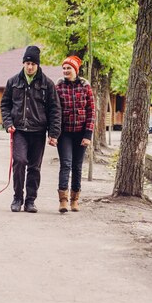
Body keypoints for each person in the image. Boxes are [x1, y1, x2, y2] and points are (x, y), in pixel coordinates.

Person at [1, 45, 61, 213]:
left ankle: (30, 201)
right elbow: (5, 105)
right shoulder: (13, 82)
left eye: (33, 64)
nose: (29, 67)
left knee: (34, 167)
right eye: (27, 63)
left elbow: (55, 109)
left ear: (38, 65)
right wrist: (8, 123)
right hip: (19, 130)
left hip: (38, 131)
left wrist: (54, 133)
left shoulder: (47, 84)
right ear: (23, 63)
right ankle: (17, 198)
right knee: (19, 162)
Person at [55, 55, 95, 213]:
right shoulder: (58, 87)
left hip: (81, 133)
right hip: (64, 133)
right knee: (65, 164)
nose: (66, 71)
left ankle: (75, 200)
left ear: (75, 70)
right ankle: (63, 200)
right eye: (64, 68)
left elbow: (91, 111)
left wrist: (88, 134)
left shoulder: (85, 87)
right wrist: (54, 133)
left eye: (68, 68)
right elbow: (55, 111)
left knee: (77, 167)